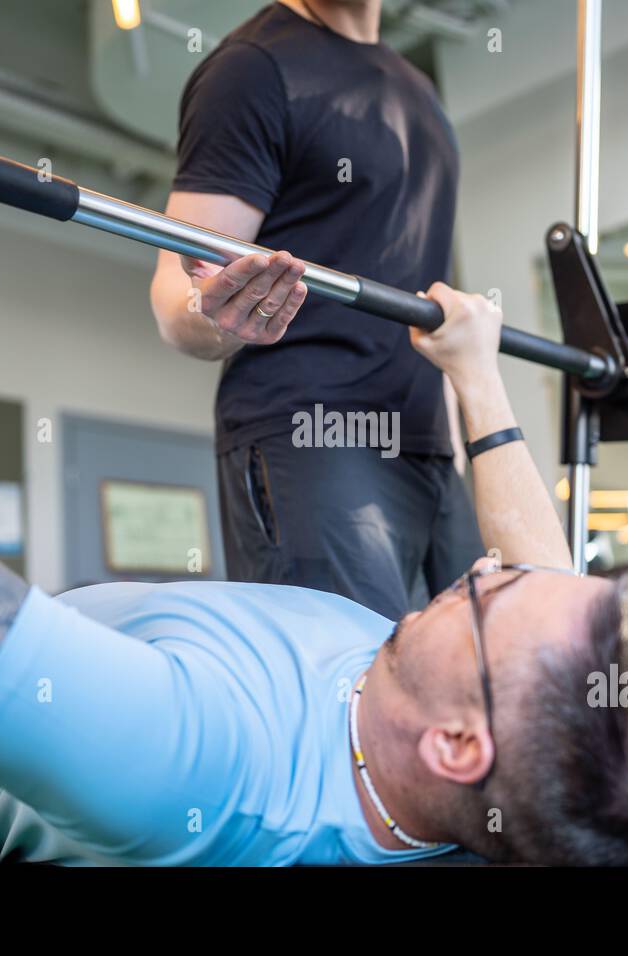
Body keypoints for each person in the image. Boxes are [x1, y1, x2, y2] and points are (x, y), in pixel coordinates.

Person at [0, 66, 628, 867]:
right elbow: (541, 576)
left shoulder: (207, 760)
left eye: (492, 601)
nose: (485, 568)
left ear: (460, 746)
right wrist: (477, 376)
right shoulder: (458, 737)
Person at [149, 0, 484, 620]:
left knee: (484, 685)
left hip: (428, 446)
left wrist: (456, 440)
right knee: (351, 691)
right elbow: (176, 289)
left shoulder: (419, 90)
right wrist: (217, 312)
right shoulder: (252, 70)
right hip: (312, 434)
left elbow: (423, 288)